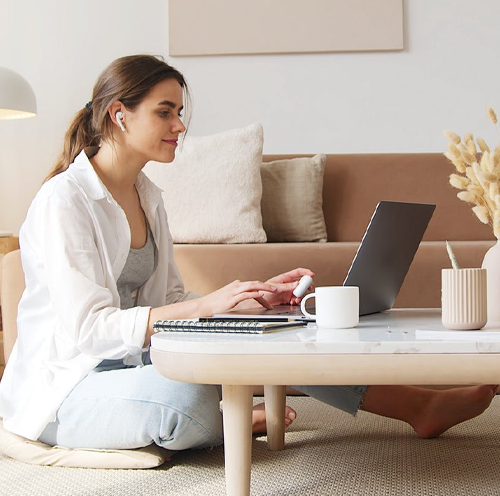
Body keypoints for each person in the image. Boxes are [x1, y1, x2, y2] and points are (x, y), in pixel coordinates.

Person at [0, 55, 496, 452]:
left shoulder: (149, 196)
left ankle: (418, 407)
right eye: (165, 111)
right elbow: (89, 330)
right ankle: (230, 419)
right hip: (67, 387)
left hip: (133, 363)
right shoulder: (64, 201)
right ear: (118, 114)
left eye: (180, 112)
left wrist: (246, 304)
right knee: (185, 396)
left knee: (279, 336)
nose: (180, 125)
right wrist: (207, 306)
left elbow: (171, 299)